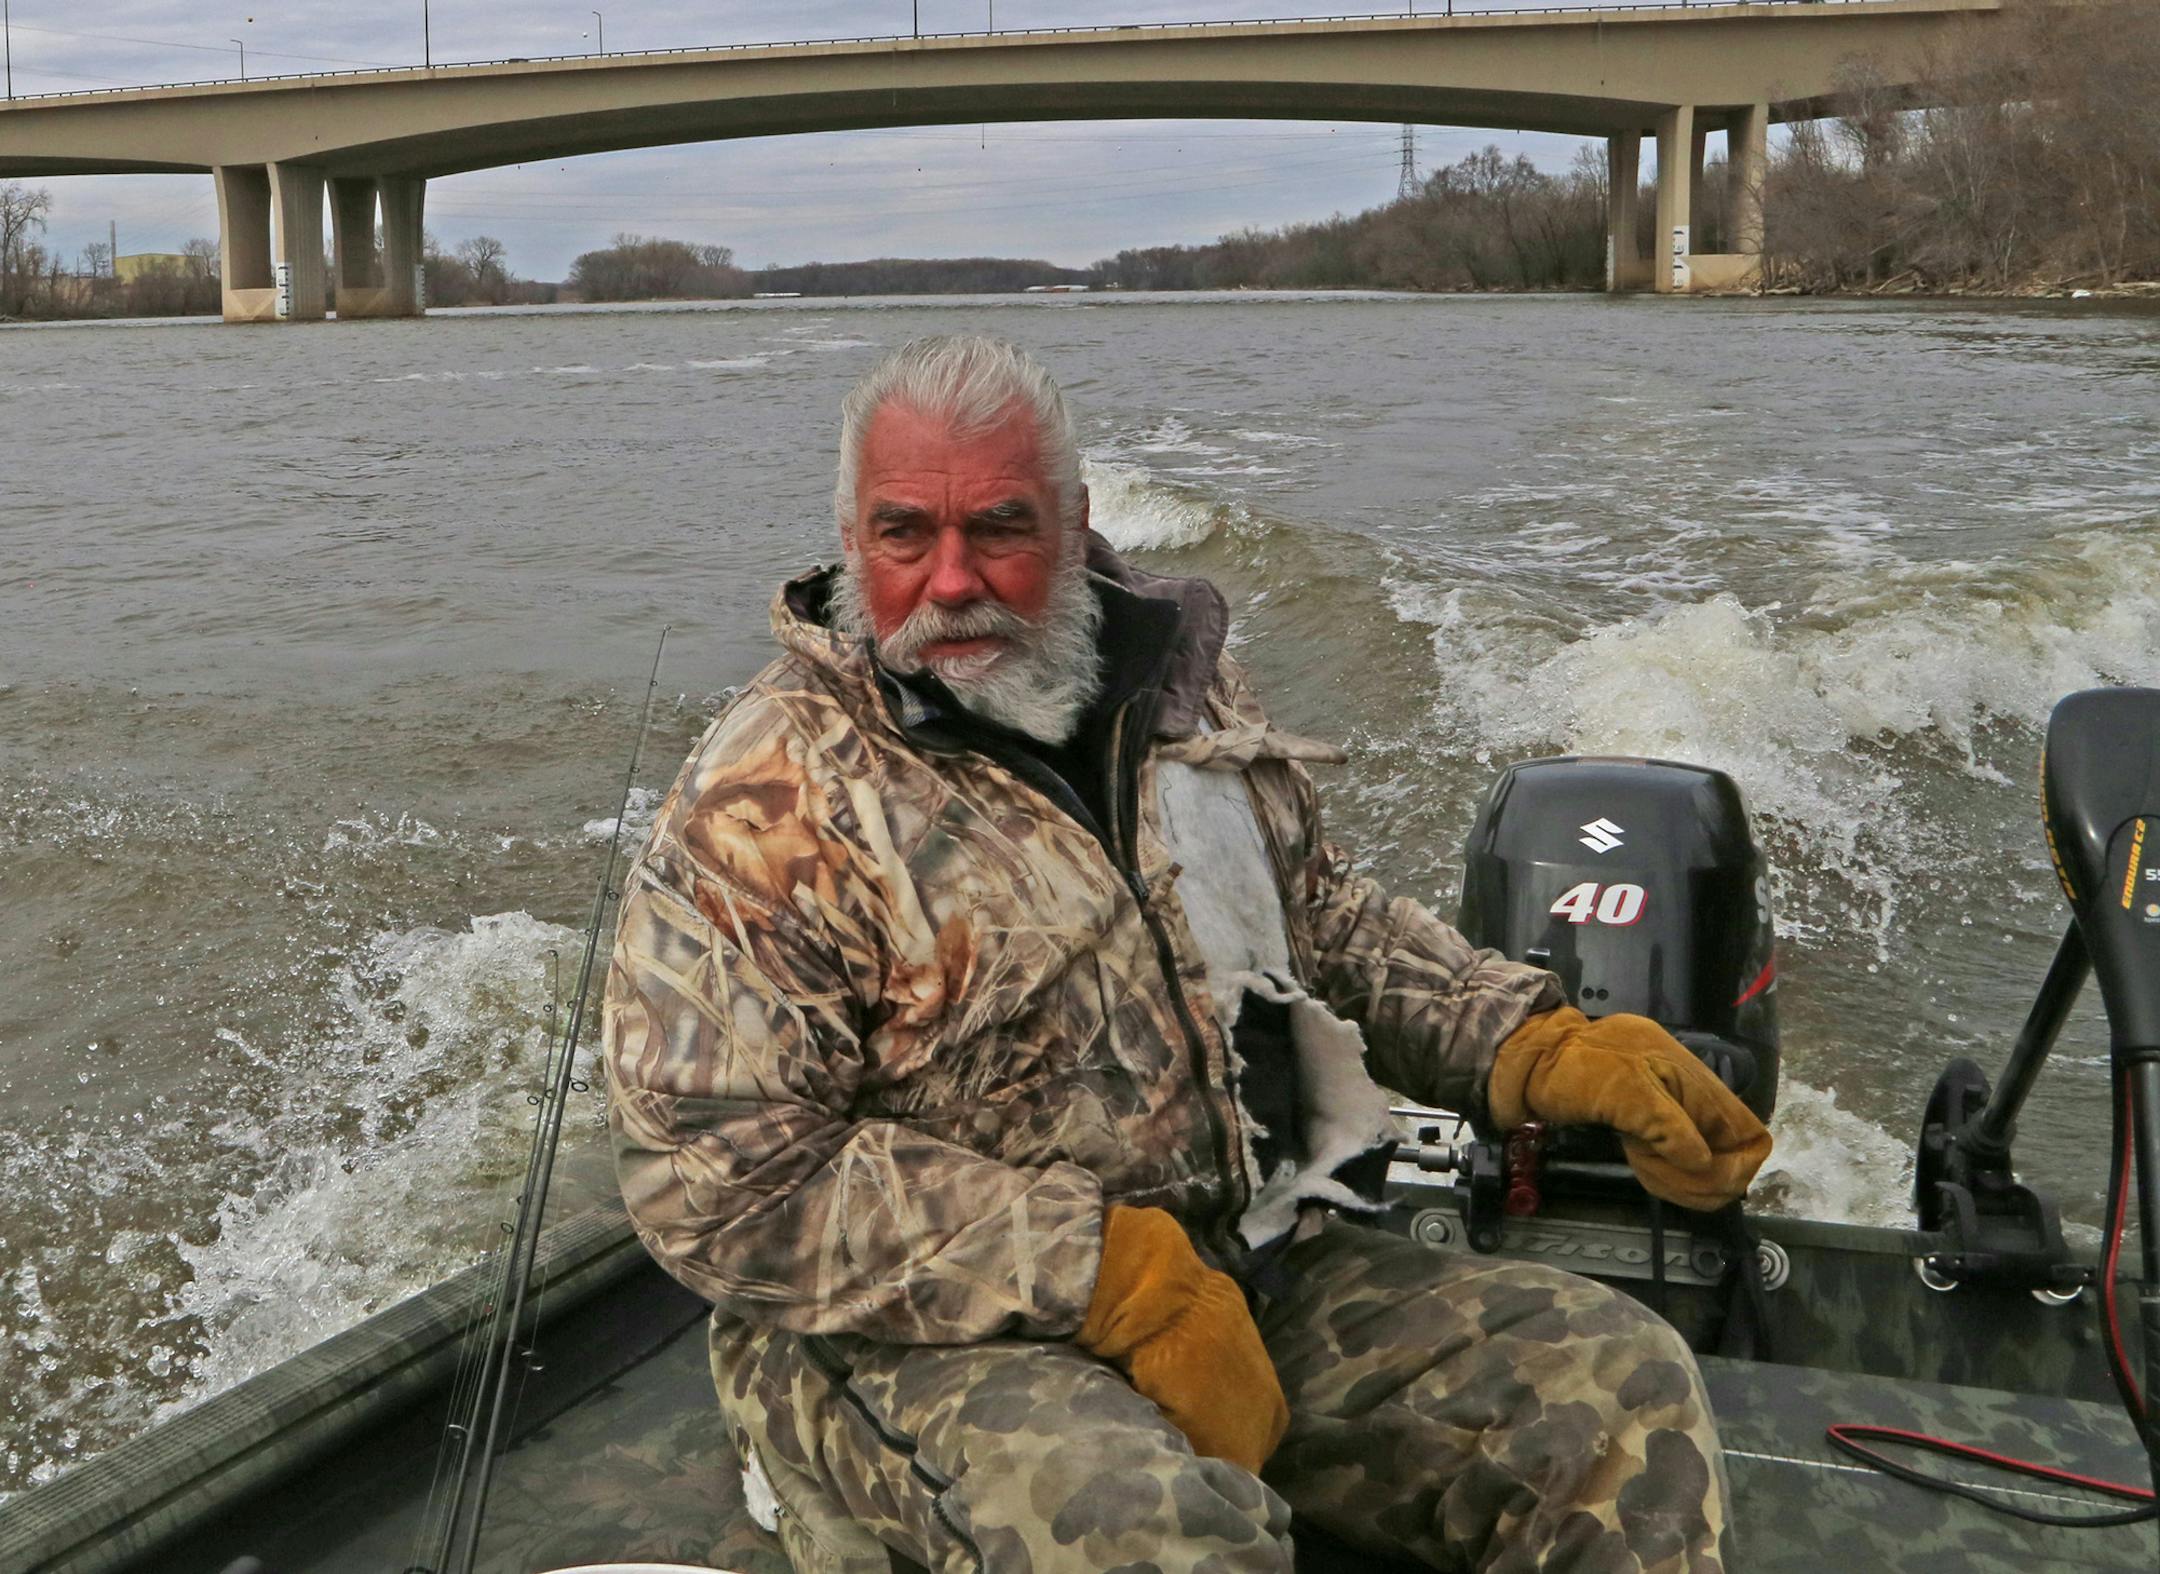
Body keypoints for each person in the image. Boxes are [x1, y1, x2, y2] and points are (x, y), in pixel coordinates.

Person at [603, 334, 1772, 1574]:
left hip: (1244, 1261)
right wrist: (1102, 1270)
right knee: (1145, 1537)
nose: (951, 581)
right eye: (903, 536)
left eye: (1000, 527)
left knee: (1617, 1393)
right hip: (909, 1328)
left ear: (1075, 519)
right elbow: (717, 1176)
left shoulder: (1182, 696)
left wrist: (1531, 1042)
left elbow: (1309, 916)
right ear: (851, 537)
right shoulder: (767, 800)